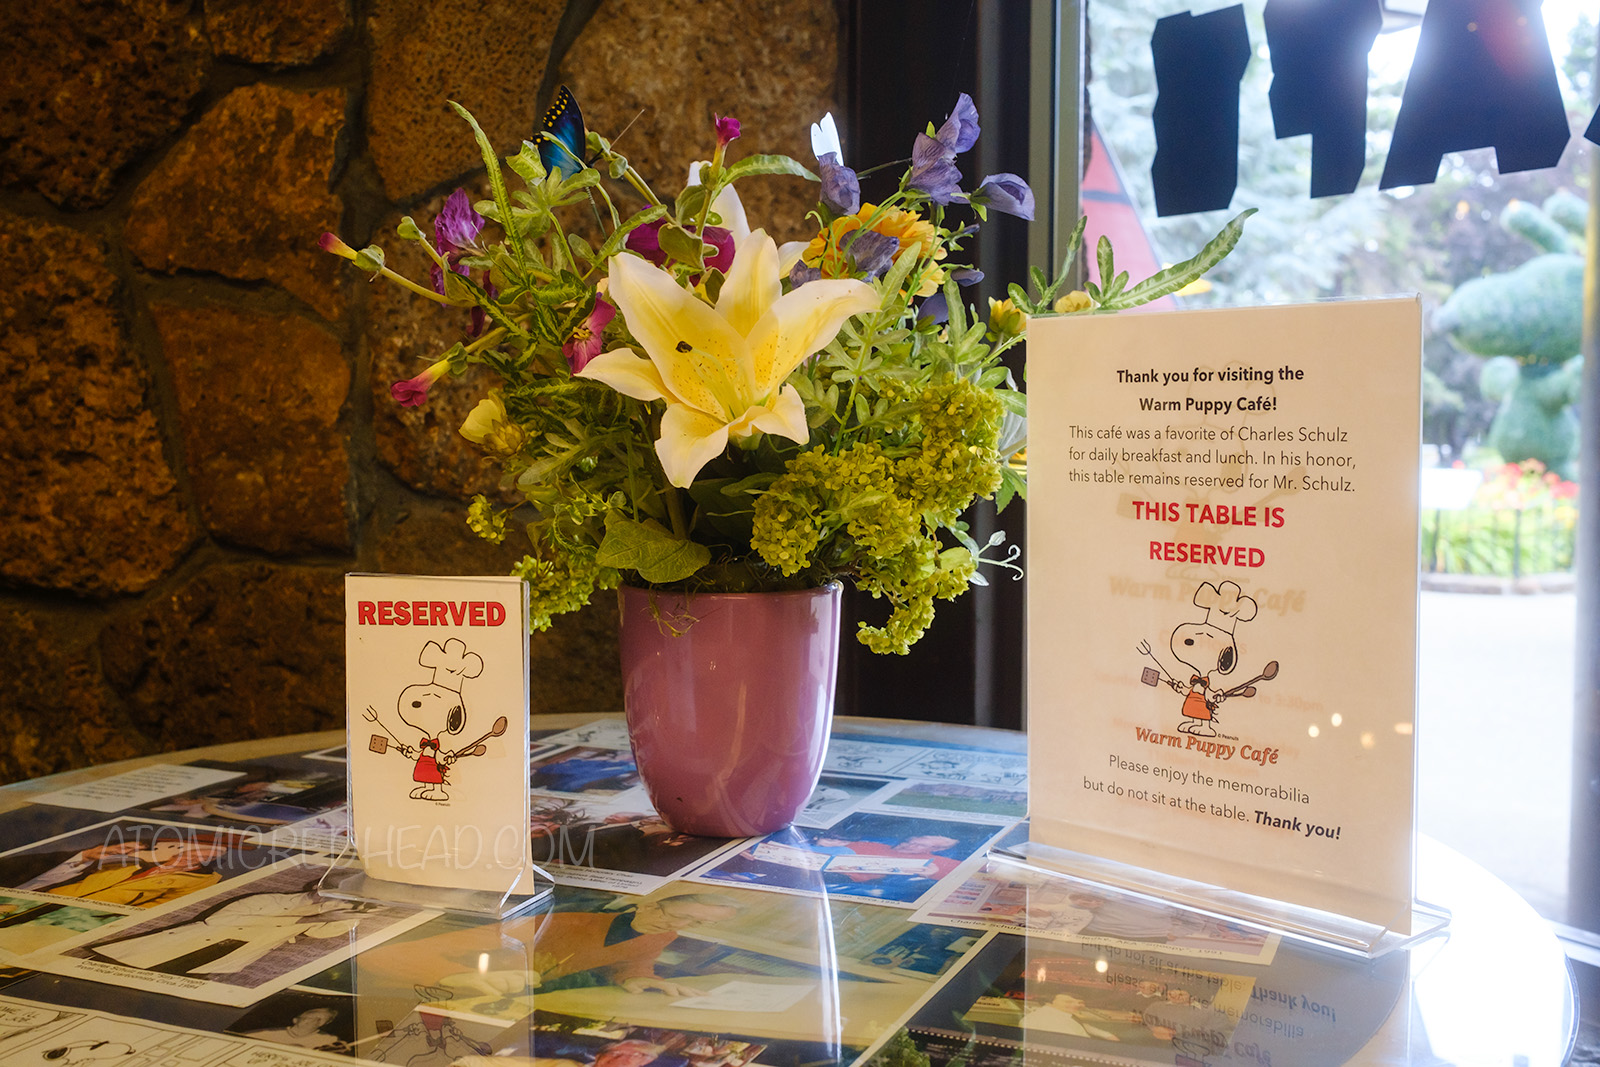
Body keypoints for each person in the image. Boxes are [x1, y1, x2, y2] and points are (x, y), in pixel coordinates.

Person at [359, 892, 740, 999]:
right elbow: (382, 956)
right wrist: (452, 976)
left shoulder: (662, 934)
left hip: (512, 1004)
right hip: (402, 994)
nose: (677, 924)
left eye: (695, 923)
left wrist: (635, 978)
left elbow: (633, 958)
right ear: (644, 901)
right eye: (673, 912)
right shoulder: (559, 918)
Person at [86, 885, 375, 977]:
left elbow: (321, 935)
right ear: (319, 890)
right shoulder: (267, 900)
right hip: (177, 945)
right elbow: (221, 924)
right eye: (341, 897)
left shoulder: (317, 919)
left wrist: (353, 916)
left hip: (220, 960)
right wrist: (308, 918)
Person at [239, 1007, 346, 1051]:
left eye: (321, 1019)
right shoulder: (265, 1034)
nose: (314, 1021)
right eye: (310, 1017)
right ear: (295, 1020)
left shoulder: (329, 1040)